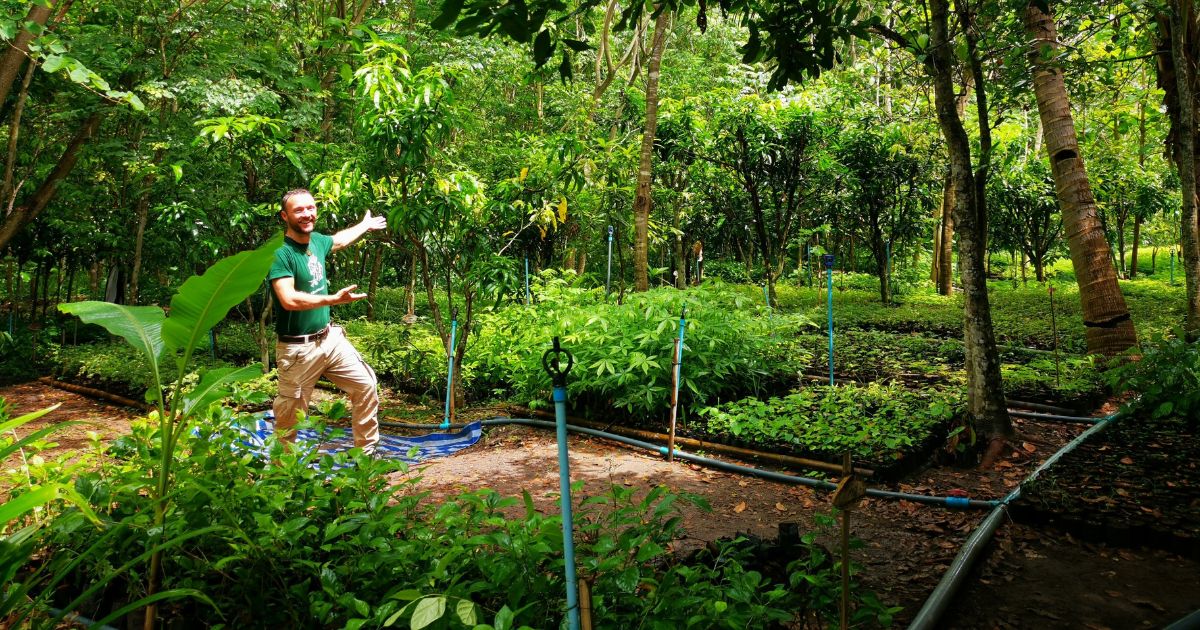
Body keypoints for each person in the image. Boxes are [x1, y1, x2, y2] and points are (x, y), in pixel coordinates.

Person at [268, 188, 387, 454]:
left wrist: (365, 225)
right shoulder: (281, 253)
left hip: (329, 339)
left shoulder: (318, 242)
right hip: (298, 350)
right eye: (298, 210)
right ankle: (281, 477)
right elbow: (288, 299)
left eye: (310, 208)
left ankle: (365, 458)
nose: (306, 214)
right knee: (290, 418)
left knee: (365, 385)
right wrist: (332, 299)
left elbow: (340, 240)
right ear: (284, 216)